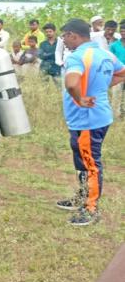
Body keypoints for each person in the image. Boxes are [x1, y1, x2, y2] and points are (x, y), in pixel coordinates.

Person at [56, 18, 125, 226]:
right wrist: (101, 86)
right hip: (92, 118)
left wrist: (79, 99)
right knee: (82, 159)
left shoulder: (77, 57)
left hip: (88, 119)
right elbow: (122, 72)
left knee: (91, 162)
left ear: (72, 35)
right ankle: (82, 196)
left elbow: (71, 82)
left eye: (64, 36)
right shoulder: (105, 54)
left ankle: (91, 208)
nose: (64, 41)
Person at [109, 24, 125, 118]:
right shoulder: (114, 45)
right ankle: (115, 116)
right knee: (116, 95)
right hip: (118, 73)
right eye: (122, 31)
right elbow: (111, 60)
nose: (123, 33)